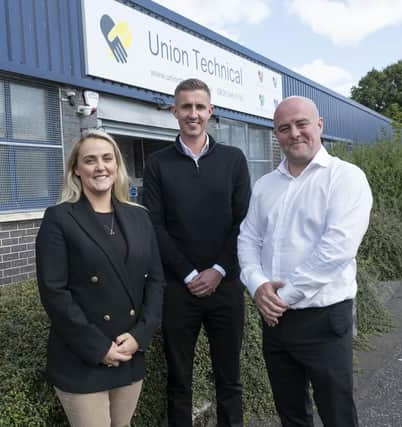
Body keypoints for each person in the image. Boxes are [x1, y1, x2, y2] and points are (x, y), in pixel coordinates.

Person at [238, 96, 373, 427]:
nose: (294, 133)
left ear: (320, 125)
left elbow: (337, 249)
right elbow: (248, 238)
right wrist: (256, 285)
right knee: (290, 413)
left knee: (336, 412)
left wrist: (280, 298)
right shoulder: (266, 185)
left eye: (302, 124)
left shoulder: (345, 177)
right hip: (275, 321)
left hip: (323, 320)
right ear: (276, 134)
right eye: (284, 128)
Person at [36, 130, 165, 427]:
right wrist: (98, 347)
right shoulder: (59, 218)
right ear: (76, 170)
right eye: (90, 160)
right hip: (82, 357)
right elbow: (54, 292)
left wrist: (140, 336)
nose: (100, 167)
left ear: (117, 166)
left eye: (107, 158)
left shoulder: (139, 217)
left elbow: (156, 281)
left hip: (129, 351)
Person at [142, 78, 251, 427]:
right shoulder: (157, 164)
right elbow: (154, 226)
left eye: (199, 107)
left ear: (210, 111)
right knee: (179, 382)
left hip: (226, 288)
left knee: (230, 380)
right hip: (178, 290)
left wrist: (218, 269)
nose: (193, 114)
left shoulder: (233, 160)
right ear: (175, 112)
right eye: (185, 107)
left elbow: (244, 223)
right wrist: (189, 274)